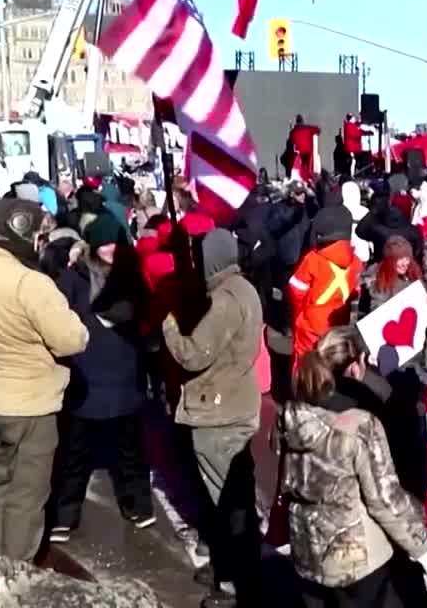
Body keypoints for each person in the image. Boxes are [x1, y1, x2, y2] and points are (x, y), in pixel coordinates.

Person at [0, 199, 89, 561]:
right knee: (26, 500)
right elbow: (72, 339)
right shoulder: (31, 284)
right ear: (27, 235)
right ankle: (15, 580)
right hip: (29, 404)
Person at [279, 340, 427, 607]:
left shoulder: (288, 420)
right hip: (356, 559)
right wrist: (423, 547)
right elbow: (384, 500)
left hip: (306, 551)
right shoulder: (359, 425)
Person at [162, 229, 264, 608]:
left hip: (219, 410)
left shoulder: (223, 299)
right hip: (235, 399)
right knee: (232, 495)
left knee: (229, 501)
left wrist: (171, 323)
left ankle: (239, 583)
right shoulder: (243, 288)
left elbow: (193, 354)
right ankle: (229, 567)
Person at [49, 212, 154, 543]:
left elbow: (146, 317)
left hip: (125, 375)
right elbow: (58, 319)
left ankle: (137, 506)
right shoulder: (74, 279)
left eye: (116, 242)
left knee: (130, 451)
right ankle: (65, 514)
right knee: (74, 453)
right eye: (104, 243)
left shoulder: (131, 276)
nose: (110, 249)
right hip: (86, 377)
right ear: (92, 245)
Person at [289, 205, 363, 367]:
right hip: (338, 324)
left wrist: (300, 315)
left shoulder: (312, 259)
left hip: (311, 324)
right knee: (332, 363)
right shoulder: (356, 262)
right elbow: (356, 294)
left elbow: (296, 291)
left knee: (306, 364)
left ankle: (304, 390)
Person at [360, 235, 423, 315]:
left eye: (407, 258)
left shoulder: (413, 274)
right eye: (400, 259)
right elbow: (378, 312)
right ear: (390, 260)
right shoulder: (379, 279)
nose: (405, 263)